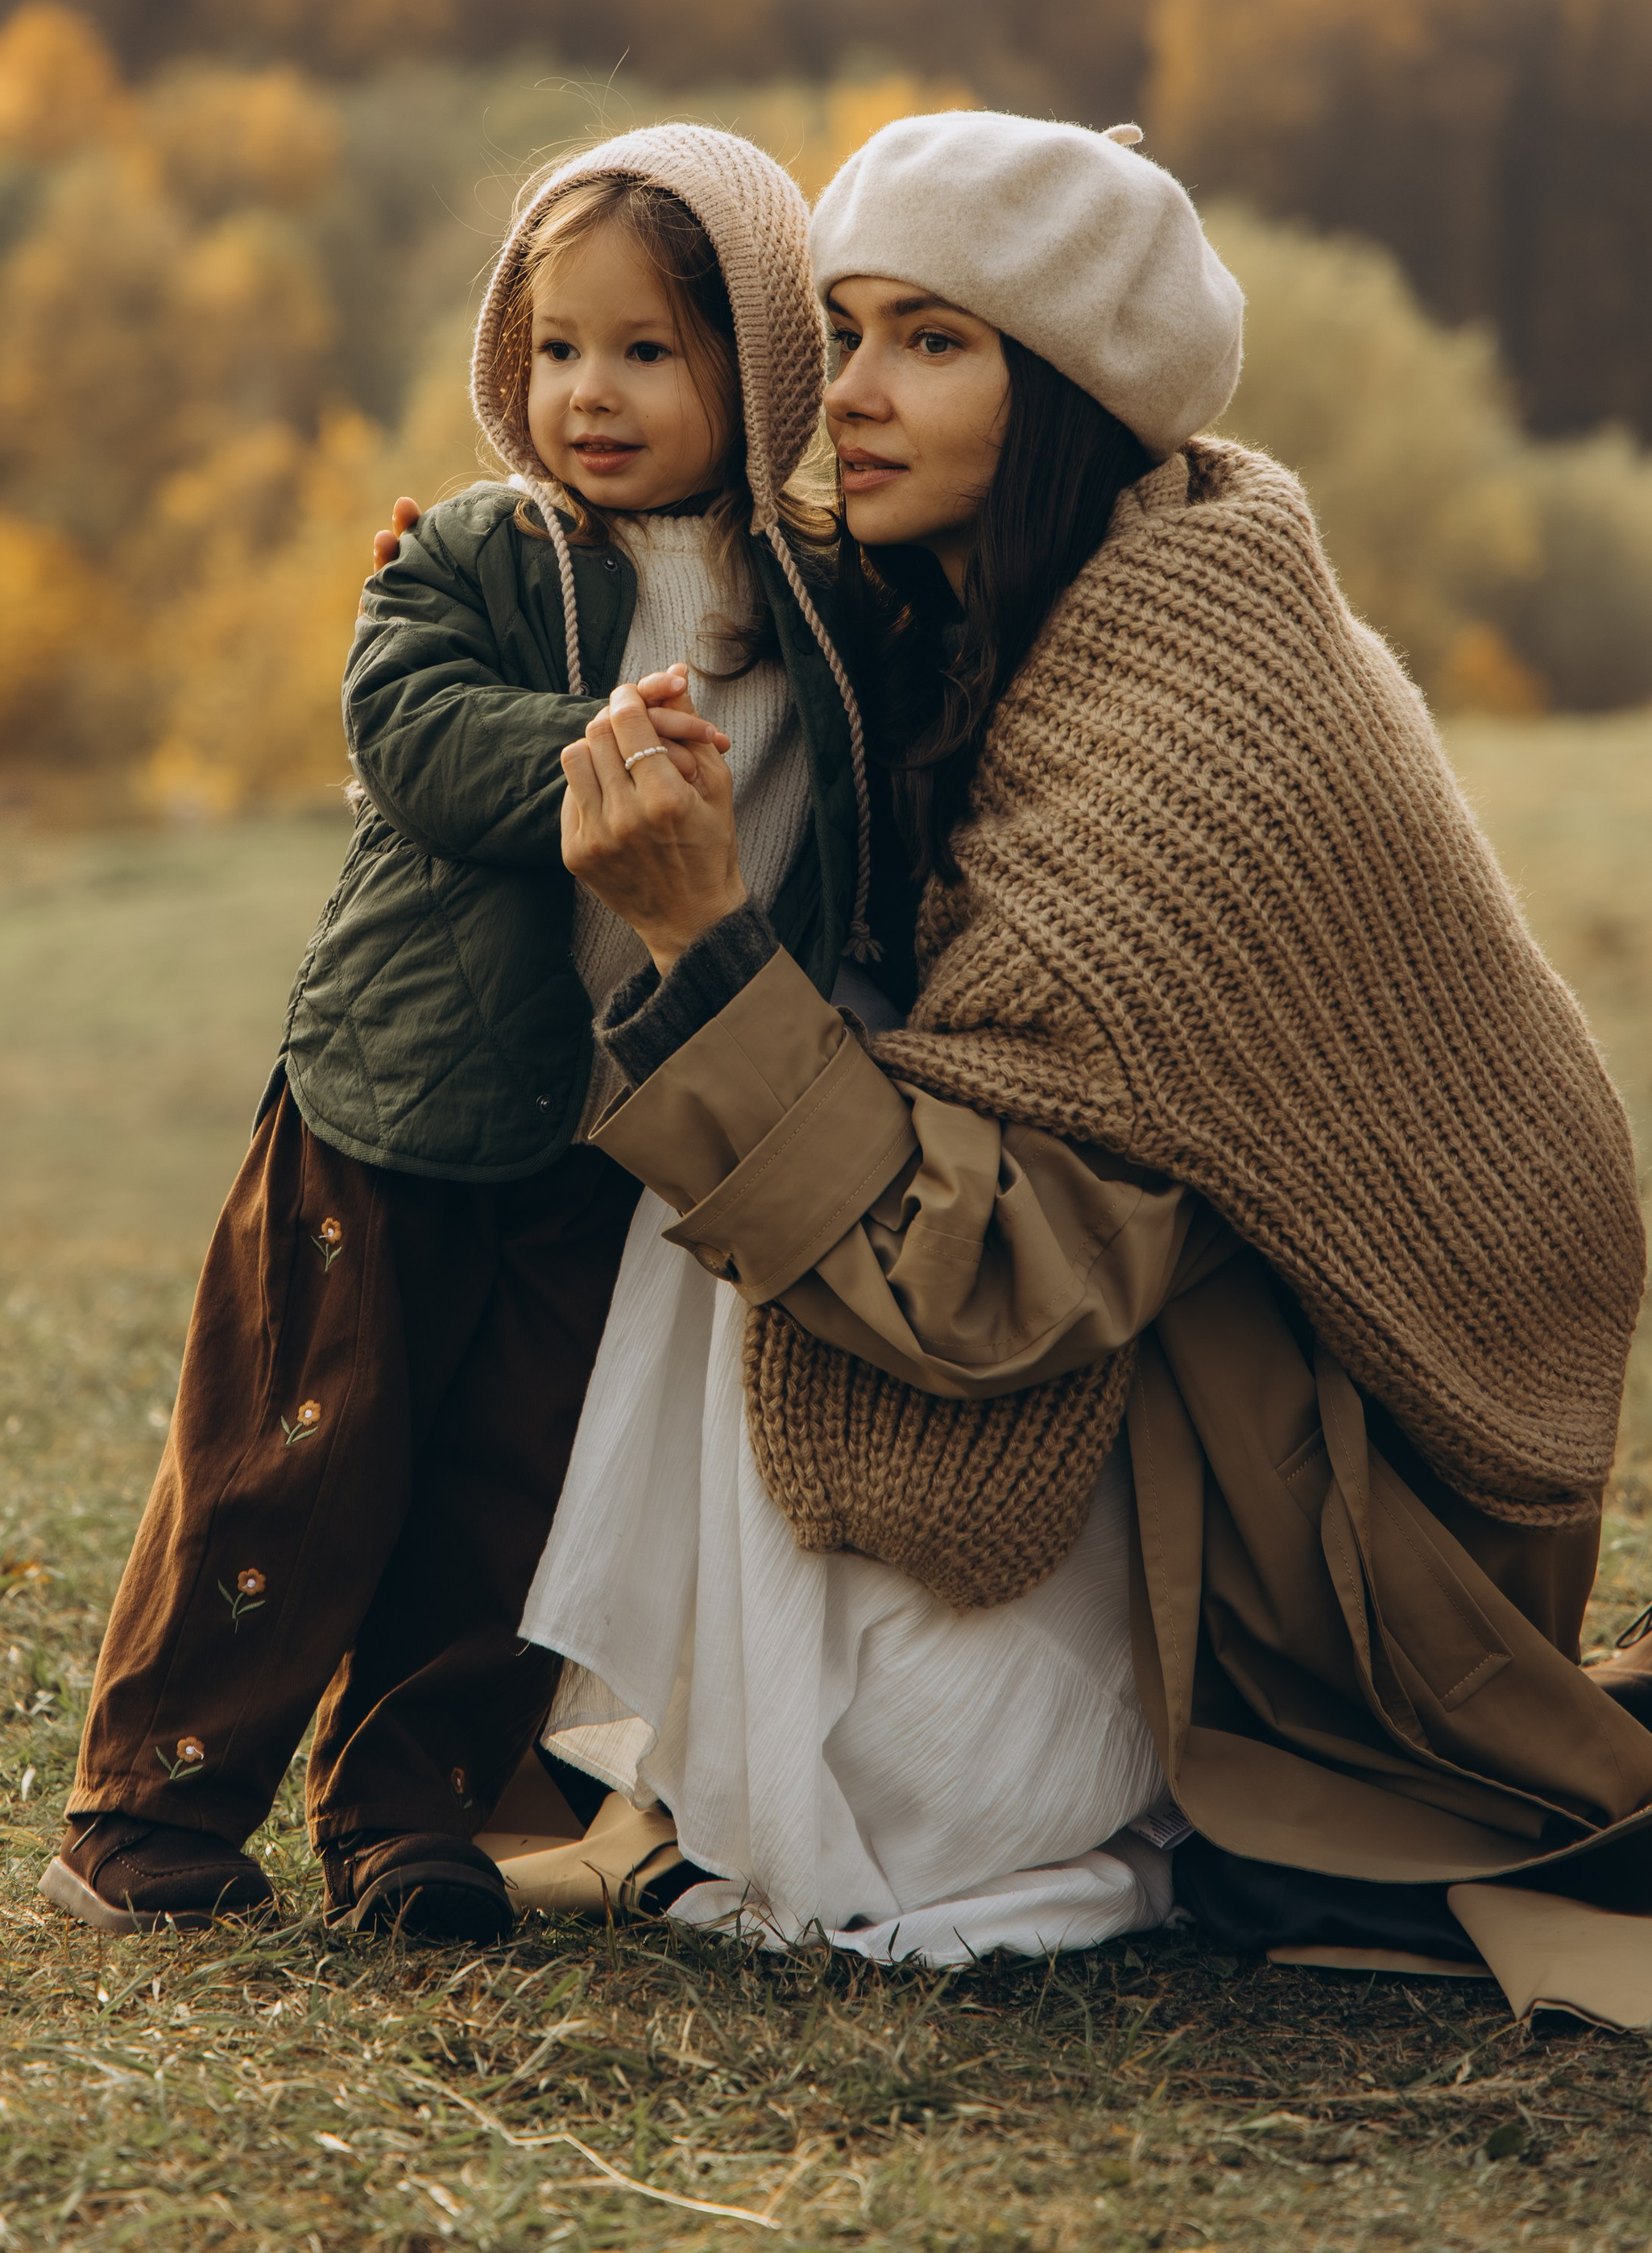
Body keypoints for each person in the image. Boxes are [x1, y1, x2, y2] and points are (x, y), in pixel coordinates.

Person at [517, 110, 1652, 2026]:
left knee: (759, 1070)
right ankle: (745, 1752)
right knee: (771, 1088)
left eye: (932, 342)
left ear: (1064, 391)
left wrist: (706, 943)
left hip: (1343, 1554)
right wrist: (496, 561)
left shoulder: (1182, 733)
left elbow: (983, 1290)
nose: (852, 396)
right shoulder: (1107, 581)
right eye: (847, 329)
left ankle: (997, 1807)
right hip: (1210, 1401)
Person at [44, 123, 906, 1940]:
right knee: (298, 1452)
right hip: (399, 1095)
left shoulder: (818, 608)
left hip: (608, 1142)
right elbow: (410, 729)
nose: (585, 390)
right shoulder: (480, 549)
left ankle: (412, 1811)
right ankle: (157, 1804)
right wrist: (587, 761)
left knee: (512, 1492)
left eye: (646, 351)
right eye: (555, 344)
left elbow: (837, 834)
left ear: (756, 370)